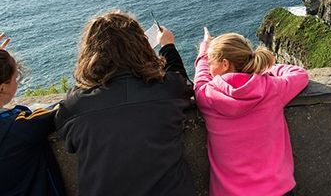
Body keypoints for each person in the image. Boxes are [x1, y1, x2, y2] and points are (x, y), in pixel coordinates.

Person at [55, 11, 195, 196]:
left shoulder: (75, 106)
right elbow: (182, 83)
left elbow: (67, 137)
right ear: (141, 45)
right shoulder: (167, 90)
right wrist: (168, 46)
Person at [194, 29, 308, 196]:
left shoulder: (206, 96)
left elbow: (201, 76)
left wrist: (205, 47)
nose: (210, 67)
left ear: (225, 64)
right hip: (276, 190)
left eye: (212, 62)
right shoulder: (271, 88)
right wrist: (264, 69)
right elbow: (300, 74)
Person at [0, 33, 66, 196]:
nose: (17, 81)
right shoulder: (19, 126)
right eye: (15, 77)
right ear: (2, 88)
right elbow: (67, 107)